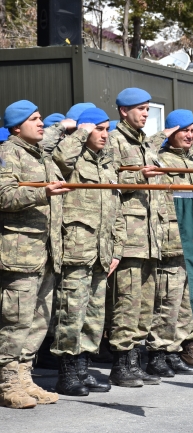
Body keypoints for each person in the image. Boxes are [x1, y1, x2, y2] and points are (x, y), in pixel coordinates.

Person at [0, 100, 71, 408]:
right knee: (15, 320)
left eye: (42, 118)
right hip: (19, 254)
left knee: (39, 320)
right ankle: (7, 382)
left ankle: (25, 377)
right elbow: (3, 196)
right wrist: (42, 192)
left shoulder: (41, 155)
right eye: (35, 119)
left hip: (46, 251)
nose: (42, 123)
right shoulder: (7, 154)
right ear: (17, 126)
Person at [51, 108, 124, 396]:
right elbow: (58, 159)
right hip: (76, 249)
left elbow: (115, 209)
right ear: (84, 129)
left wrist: (116, 247)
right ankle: (66, 373)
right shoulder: (70, 156)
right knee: (71, 313)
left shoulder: (106, 163)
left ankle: (82, 368)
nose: (106, 135)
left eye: (108, 129)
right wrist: (79, 132)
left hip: (101, 250)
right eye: (100, 129)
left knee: (94, 315)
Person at [107, 88, 177, 387]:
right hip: (130, 237)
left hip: (151, 237)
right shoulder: (114, 140)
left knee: (146, 304)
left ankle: (135, 360)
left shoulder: (145, 144)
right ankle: (121, 363)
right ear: (124, 111)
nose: (146, 113)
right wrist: (140, 177)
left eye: (148, 109)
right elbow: (108, 182)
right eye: (141, 109)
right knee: (128, 302)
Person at [144, 109, 193, 378]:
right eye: (183, 130)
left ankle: (174, 350)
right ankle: (158, 354)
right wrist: (163, 135)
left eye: (192, 130)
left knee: (186, 304)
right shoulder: (160, 159)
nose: (189, 135)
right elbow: (145, 147)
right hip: (172, 242)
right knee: (167, 303)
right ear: (171, 132)